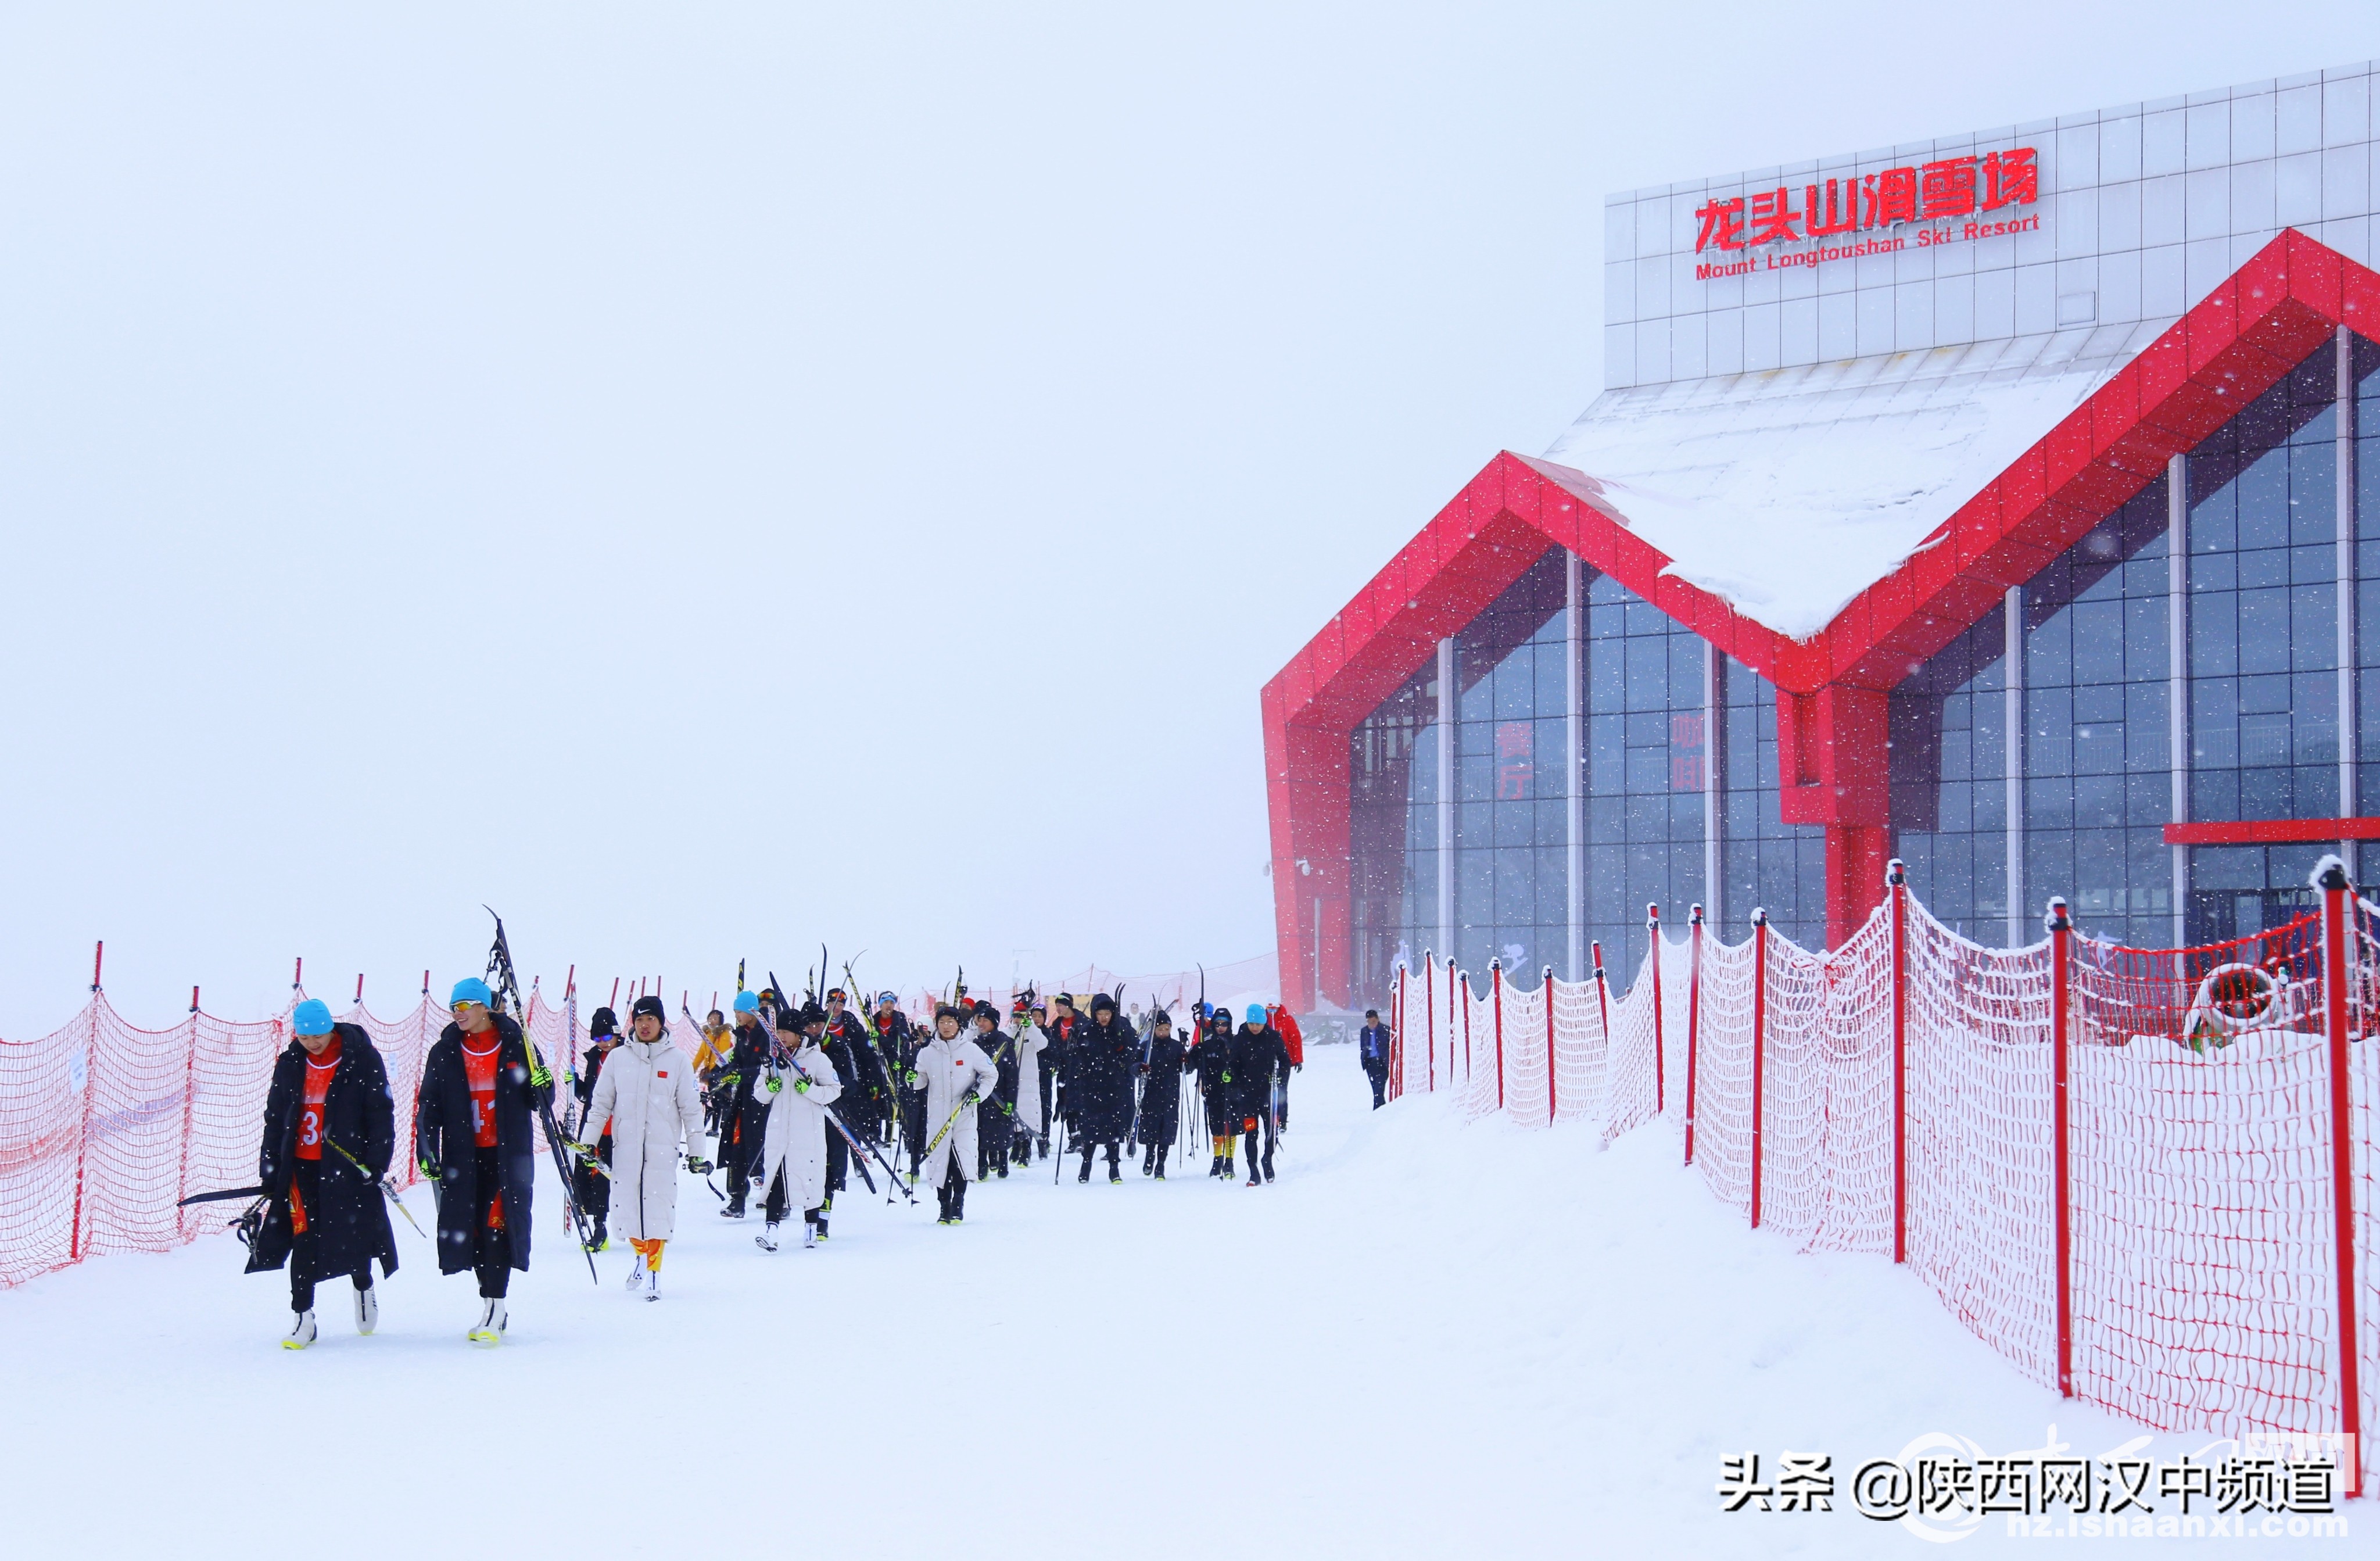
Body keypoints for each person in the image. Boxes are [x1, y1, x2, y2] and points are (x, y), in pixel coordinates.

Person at [247, 998, 399, 1349]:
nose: (312, 1043)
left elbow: (380, 1112)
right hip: (301, 1167)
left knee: (353, 1235)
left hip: (347, 1166)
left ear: (331, 1029)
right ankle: (304, 1317)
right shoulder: (290, 1063)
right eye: (304, 1037)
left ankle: (363, 1285)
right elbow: (276, 1117)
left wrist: (377, 1161)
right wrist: (270, 1169)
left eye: (318, 1036)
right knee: (302, 1239)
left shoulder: (361, 1058)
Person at [415, 977, 552, 1347]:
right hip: (464, 1156)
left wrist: (543, 1081)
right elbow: (429, 1104)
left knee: (498, 1230)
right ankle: (492, 1299)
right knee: (473, 1232)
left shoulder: (516, 1044)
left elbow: (540, 1098)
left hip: (507, 1155)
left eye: (463, 1007)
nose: (457, 1015)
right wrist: (426, 1148)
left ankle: (495, 1305)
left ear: (483, 1008)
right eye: (453, 1009)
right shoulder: (445, 1052)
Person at [578, 996, 708, 1299]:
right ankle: (640, 1255)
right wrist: (588, 1143)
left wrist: (697, 1150)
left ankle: (653, 1271)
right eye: (639, 1020)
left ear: (661, 1023)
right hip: (626, 1148)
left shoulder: (677, 1061)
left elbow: (691, 1109)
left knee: (657, 1208)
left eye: (650, 1019)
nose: (645, 1025)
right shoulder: (618, 1059)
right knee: (628, 1206)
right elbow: (600, 1105)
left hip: (662, 1148)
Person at [754, 1001, 842, 1252]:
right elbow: (758, 1094)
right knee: (775, 1180)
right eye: (778, 1033)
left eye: (786, 1033)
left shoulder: (817, 1059)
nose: (781, 1037)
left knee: (809, 1181)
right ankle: (771, 1231)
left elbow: (834, 1091)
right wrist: (769, 1089)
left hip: (808, 1135)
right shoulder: (772, 1061)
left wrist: (811, 1090)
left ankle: (811, 1227)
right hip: (779, 1132)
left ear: (798, 1034)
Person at [907, 1004, 999, 1224]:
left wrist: (979, 1094)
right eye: (942, 1022)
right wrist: (912, 1078)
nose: (946, 1027)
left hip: (963, 1114)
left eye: (951, 1022)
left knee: (960, 1159)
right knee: (940, 1163)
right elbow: (920, 1082)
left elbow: (990, 1074)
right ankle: (943, 1206)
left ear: (958, 1024)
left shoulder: (971, 1050)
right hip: (938, 1116)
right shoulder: (927, 1053)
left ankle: (958, 1203)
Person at [1061, 993, 1138, 1184]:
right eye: (1100, 1013)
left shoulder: (1121, 1030)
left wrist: (1122, 1049)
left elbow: (1131, 1055)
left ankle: (1114, 1168)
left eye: (1108, 1013)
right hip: (1091, 1089)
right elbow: (1076, 1061)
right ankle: (1086, 1165)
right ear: (1094, 1014)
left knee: (1113, 1130)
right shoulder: (1086, 1031)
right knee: (1090, 1130)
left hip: (1115, 1087)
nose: (1104, 1017)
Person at [570, 1006, 622, 1251]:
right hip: (595, 1128)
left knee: (612, 1179)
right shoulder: (594, 1058)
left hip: (620, 1129)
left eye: (606, 1038)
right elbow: (589, 1096)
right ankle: (599, 1226)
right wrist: (576, 1085)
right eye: (597, 1039)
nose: (602, 1043)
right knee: (591, 1177)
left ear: (616, 1033)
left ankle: (634, 1230)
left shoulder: (627, 1055)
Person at [716, 991, 772, 1218]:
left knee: (765, 1146)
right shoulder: (742, 1035)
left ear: (751, 1012)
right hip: (743, 1100)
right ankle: (737, 1198)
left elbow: (768, 1068)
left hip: (764, 1099)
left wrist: (743, 1075)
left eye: (739, 1012)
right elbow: (737, 1060)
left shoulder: (768, 1033)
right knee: (737, 1145)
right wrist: (728, 1073)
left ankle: (776, 1197)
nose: (736, 1016)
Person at [1232, 1004, 1293, 1186]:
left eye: (1258, 1023)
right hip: (1247, 1096)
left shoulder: (1273, 1038)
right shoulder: (1241, 1039)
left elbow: (1285, 1061)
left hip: (1269, 1095)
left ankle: (1267, 1160)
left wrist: (1281, 1077)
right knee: (1251, 1133)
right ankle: (1253, 1172)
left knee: (1272, 1133)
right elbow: (1233, 1063)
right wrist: (1232, 1078)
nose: (1255, 1027)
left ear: (1264, 1022)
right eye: (1252, 1023)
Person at [1134, 1009, 1185, 1178]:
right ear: (1154, 1030)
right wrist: (1140, 1068)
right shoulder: (1147, 1047)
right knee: (1151, 1128)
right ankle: (1150, 1155)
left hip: (1171, 1094)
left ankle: (1161, 1164)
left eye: (1166, 1029)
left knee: (1167, 1130)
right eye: (1160, 1029)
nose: (1163, 1033)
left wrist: (1186, 1060)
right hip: (1151, 1094)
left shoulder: (1177, 1047)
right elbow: (1133, 1066)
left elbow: (1188, 1068)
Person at [971, 1001, 1019, 1179]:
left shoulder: (1005, 1044)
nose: (981, 1024)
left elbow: (1012, 1075)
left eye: (985, 1020)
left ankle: (1003, 1163)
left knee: (1001, 1131)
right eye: (980, 1020)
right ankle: (982, 1165)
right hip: (982, 1094)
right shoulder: (976, 1043)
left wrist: (1011, 1100)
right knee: (980, 1131)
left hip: (1000, 1095)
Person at [1189, 1008, 1237, 1178]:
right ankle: (1218, 1159)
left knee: (1231, 1126)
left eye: (1224, 1024)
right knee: (1216, 1127)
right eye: (1217, 1024)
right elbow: (1189, 1065)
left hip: (1233, 1091)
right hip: (1213, 1091)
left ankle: (1229, 1161)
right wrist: (1190, 1052)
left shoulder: (1236, 1042)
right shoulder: (1206, 1042)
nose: (1221, 1027)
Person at [1009, 996, 1049, 1170]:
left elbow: (1043, 1044)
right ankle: (1016, 1145)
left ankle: (1027, 1149)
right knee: (1014, 1114)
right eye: (1016, 1015)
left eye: (1021, 1015)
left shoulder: (1033, 1032)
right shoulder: (1008, 1032)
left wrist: (1031, 1028)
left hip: (1029, 1081)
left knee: (1029, 1115)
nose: (1018, 1019)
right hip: (1013, 1080)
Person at [1265, 1004, 1306, 1131]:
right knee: (1267, 1090)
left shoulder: (1287, 1020)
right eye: (1269, 1009)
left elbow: (1296, 1039)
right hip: (1266, 1061)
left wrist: (1298, 1059)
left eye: (1274, 1009)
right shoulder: (1263, 1021)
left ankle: (1282, 1119)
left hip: (1284, 1061)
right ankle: (1271, 1118)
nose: (1272, 1012)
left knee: (1282, 1089)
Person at [692, 1007, 732, 1134]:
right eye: (710, 1018)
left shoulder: (724, 1034)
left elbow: (723, 1054)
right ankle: (714, 1127)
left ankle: (721, 1128)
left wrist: (716, 1071)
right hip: (711, 1074)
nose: (712, 1021)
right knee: (715, 1100)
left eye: (715, 1018)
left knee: (722, 1101)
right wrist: (692, 1068)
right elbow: (701, 1054)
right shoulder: (708, 1035)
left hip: (721, 1072)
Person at [1357, 1008, 1392, 1108]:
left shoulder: (1386, 1030)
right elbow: (1363, 1046)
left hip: (1382, 1063)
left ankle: (1377, 1109)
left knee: (1379, 1088)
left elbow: (1391, 1046)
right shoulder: (1364, 1031)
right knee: (1375, 1088)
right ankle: (1382, 1108)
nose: (1372, 1025)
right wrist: (1364, 1058)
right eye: (1369, 1022)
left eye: (1373, 1022)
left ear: (1378, 1020)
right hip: (1370, 1063)